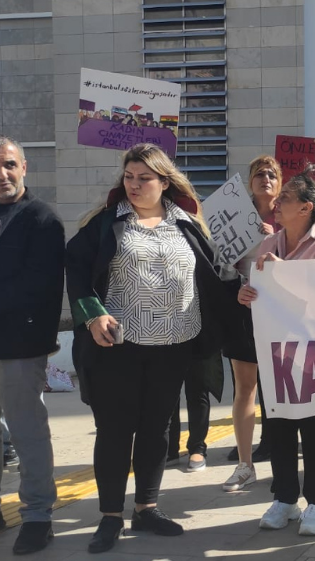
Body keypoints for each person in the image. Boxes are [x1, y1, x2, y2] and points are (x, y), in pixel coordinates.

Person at [66, 144, 236, 554]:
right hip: (118, 345)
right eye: (129, 177)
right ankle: (110, 516)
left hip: (174, 344)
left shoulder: (186, 223)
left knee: (157, 428)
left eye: (144, 178)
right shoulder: (107, 223)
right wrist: (92, 315)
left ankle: (146, 507)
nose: (135, 184)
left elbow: (217, 271)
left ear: (164, 182)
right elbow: (76, 267)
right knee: (115, 430)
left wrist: (250, 282)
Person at [237, 170, 315, 536]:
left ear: (305, 207)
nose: (277, 202)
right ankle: (285, 497)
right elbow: (260, 291)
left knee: (314, 427)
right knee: (278, 426)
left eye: (285, 198)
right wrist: (247, 294)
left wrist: (285, 272)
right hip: (276, 350)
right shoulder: (270, 243)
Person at [0, 134, 64, 554]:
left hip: (17, 347)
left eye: (8, 164)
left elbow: (38, 289)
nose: (1, 173)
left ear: (24, 168)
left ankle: (37, 516)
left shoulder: (42, 219)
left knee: (26, 432)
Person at [221, 156, 282, 492]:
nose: (265, 179)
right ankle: (245, 465)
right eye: (259, 174)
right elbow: (222, 266)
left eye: (271, 174)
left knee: (281, 387)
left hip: (282, 312)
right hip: (244, 309)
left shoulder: (290, 214)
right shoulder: (234, 216)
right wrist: (235, 285)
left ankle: (282, 462)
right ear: (249, 181)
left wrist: (276, 238)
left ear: (280, 182)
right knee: (245, 388)